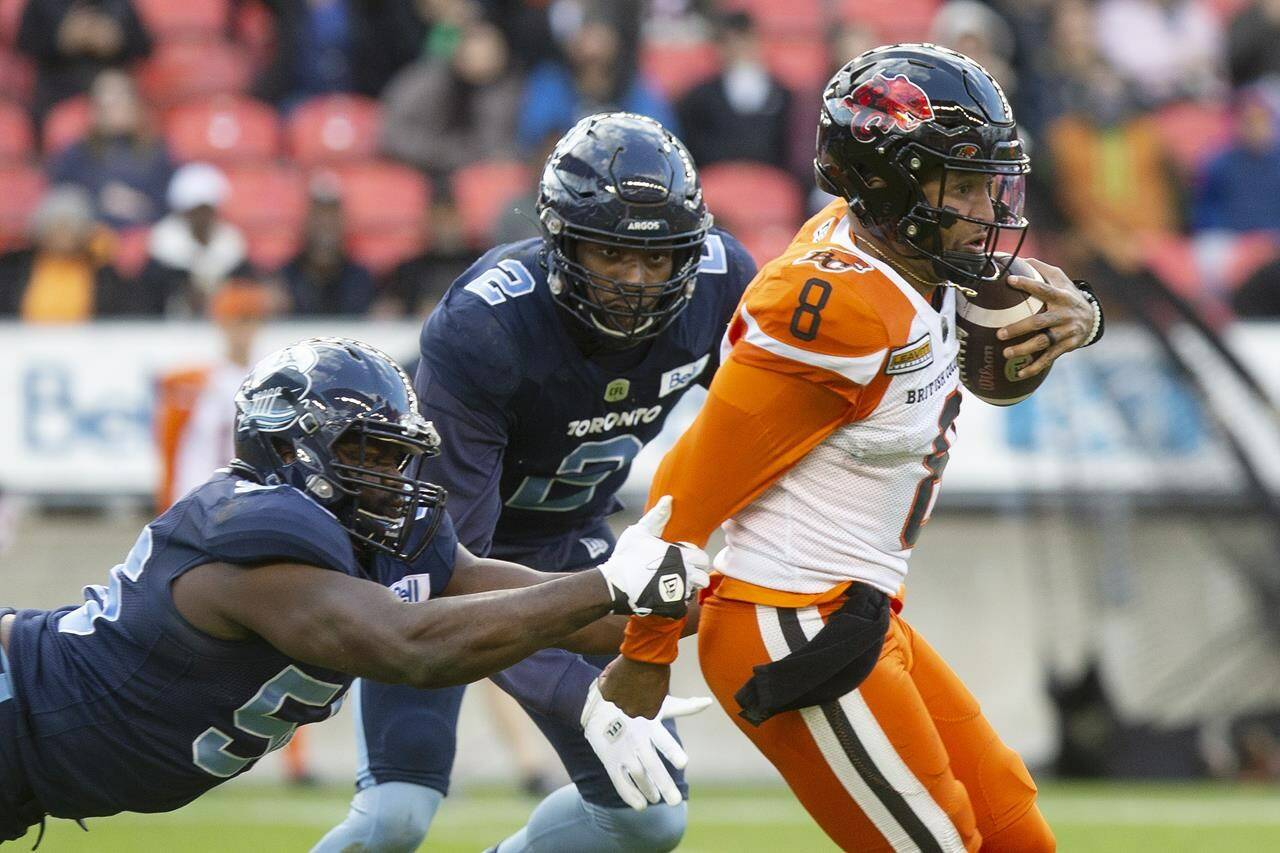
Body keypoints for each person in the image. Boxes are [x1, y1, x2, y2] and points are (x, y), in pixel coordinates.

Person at [598, 44, 1107, 851]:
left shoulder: (911, 252)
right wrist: (646, 650)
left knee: (1016, 828)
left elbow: (998, 362)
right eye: (963, 183)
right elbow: (693, 476)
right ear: (888, 181)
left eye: (989, 182)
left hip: (861, 607)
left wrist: (1085, 315)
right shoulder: (832, 303)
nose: (987, 208)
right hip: (789, 614)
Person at [0, 336, 708, 843]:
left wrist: (697, 595)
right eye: (364, 451)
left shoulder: (375, 537)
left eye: (398, 455)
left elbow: (543, 608)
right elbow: (409, 647)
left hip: (33, 770)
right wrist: (607, 581)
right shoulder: (250, 535)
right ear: (284, 446)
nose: (390, 476)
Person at [314, 112, 758, 853]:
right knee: (395, 817)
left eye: (659, 258)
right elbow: (450, 568)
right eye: (613, 253)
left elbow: (773, 427)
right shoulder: (488, 324)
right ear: (562, 240)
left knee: (649, 820)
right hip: (432, 556)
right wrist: (576, 692)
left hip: (576, 543)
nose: (638, 283)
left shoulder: (720, 286)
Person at [47, 68, 173, 229]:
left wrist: (142, 206)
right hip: (90, 232)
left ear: (136, 105)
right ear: (94, 109)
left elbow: (170, 200)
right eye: (107, 102)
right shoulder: (77, 153)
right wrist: (100, 199)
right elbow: (62, 194)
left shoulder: (158, 150)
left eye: (121, 99)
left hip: (148, 231)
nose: (114, 108)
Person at [0, 184, 132, 321]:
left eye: (70, 226)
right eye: (55, 226)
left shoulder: (104, 272)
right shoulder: (14, 267)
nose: (62, 234)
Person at [138, 162, 252, 317]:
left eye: (206, 210)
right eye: (195, 211)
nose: (201, 218)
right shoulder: (164, 241)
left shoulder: (230, 242)